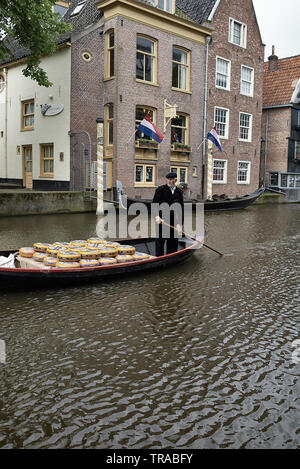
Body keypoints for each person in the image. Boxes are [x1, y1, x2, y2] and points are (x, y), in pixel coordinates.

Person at [152, 172, 184, 256]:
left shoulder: (179, 192)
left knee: (173, 242)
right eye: (168, 179)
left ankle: (171, 258)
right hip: (161, 220)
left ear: (175, 180)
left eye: (171, 180)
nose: (169, 181)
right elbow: (154, 205)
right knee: (160, 242)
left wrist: (180, 224)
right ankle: (159, 259)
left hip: (174, 221)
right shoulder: (160, 190)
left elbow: (181, 209)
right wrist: (157, 217)